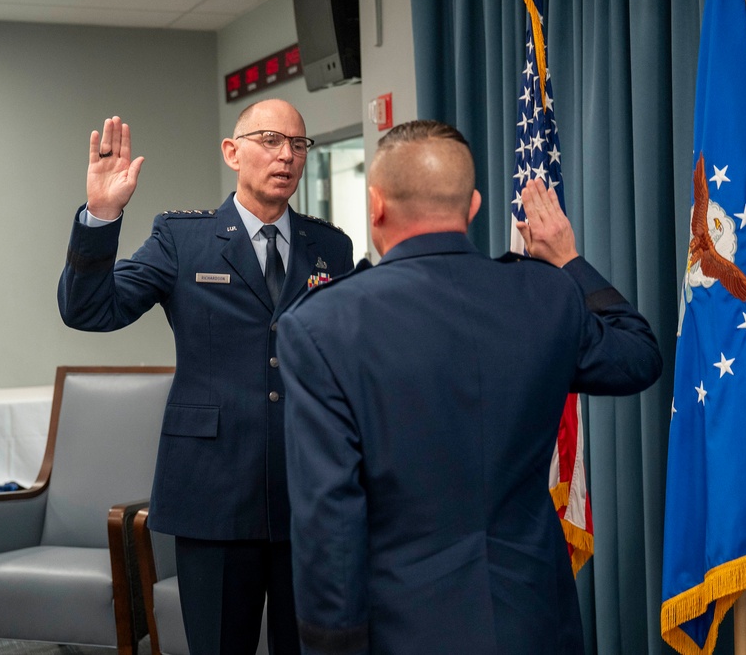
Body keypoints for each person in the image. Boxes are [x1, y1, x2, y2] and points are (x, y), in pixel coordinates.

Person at [277, 119, 662, 655]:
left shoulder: (323, 324)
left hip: (404, 629)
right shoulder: (547, 298)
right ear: (474, 206)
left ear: (375, 205)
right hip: (536, 620)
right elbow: (639, 357)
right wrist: (569, 260)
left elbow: (328, 518)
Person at [58, 98, 354, 654]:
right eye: (270, 140)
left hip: (309, 495)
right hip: (213, 494)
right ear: (231, 151)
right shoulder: (182, 239)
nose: (285, 155)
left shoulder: (331, 247)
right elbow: (90, 311)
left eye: (297, 144)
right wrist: (100, 218)